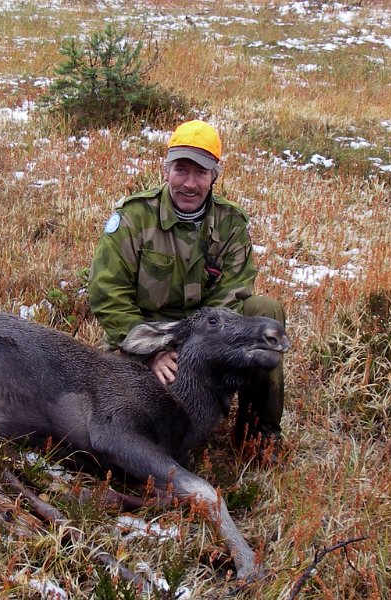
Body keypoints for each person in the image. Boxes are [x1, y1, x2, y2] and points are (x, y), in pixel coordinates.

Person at [88, 119, 285, 451]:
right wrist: (153, 351)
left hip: (205, 335)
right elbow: (107, 294)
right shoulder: (133, 218)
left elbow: (234, 293)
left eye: (201, 173)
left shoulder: (230, 224)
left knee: (265, 312)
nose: (189, 184)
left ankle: (257, 435)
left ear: (214, 176)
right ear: (166, 172)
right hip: (145, 336)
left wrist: (197, 350)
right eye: (181, 170)